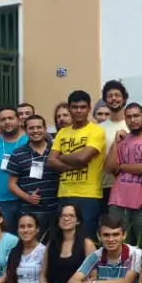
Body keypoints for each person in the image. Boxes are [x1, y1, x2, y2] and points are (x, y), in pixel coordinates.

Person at [48, 90, 107, 234]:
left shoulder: (97, 131)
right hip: (64, 194)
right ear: (69, 108)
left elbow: (83, 158)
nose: (79, 111)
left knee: (86, 238)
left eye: (83, 107)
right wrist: (75, 164)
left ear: (89, 108)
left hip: (89, 196)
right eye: (75, 107)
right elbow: (50, 161)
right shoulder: (62, 133)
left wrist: (62, 156)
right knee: (65, 238)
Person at [107, 103, 142, 243]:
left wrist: (122, 167)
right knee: (120, 245)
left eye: (136, 116)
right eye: (128, 117)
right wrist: (115, 143)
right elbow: (109, 168)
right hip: (118, 200)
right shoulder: (122, 141)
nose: (133, 120)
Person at [7, 113, 59, 233]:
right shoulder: (17, 153)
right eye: (31, 128)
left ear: (45, 129)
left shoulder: (56, 150)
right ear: (25, 131)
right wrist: (28, 197)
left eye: (39, 127)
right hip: (30, 212)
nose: (35, 131)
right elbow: (11, 185)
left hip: (56, 208)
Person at [99, 80, 131, 207]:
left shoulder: (134, 125)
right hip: (107, 184)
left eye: (117, 95)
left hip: (132, 183)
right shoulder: (99, 129)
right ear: (105, 100)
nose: (113, 99)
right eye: (110, 96)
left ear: (124, 98)